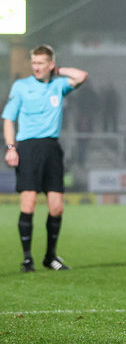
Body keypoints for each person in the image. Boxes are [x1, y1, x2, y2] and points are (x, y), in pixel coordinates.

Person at [2, 45, 88, 272]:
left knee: (57, 207)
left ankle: (50, 256)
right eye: (34, 63)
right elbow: (9, 119)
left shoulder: (59, 85)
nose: (36, 67)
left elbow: (81, 76)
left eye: (41, 63)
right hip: (28, 147)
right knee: (28, 202)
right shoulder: (21, 86)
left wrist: (57, 70)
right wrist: (11, 148)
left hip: (51, 148)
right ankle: (27, 258)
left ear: (50, 64)